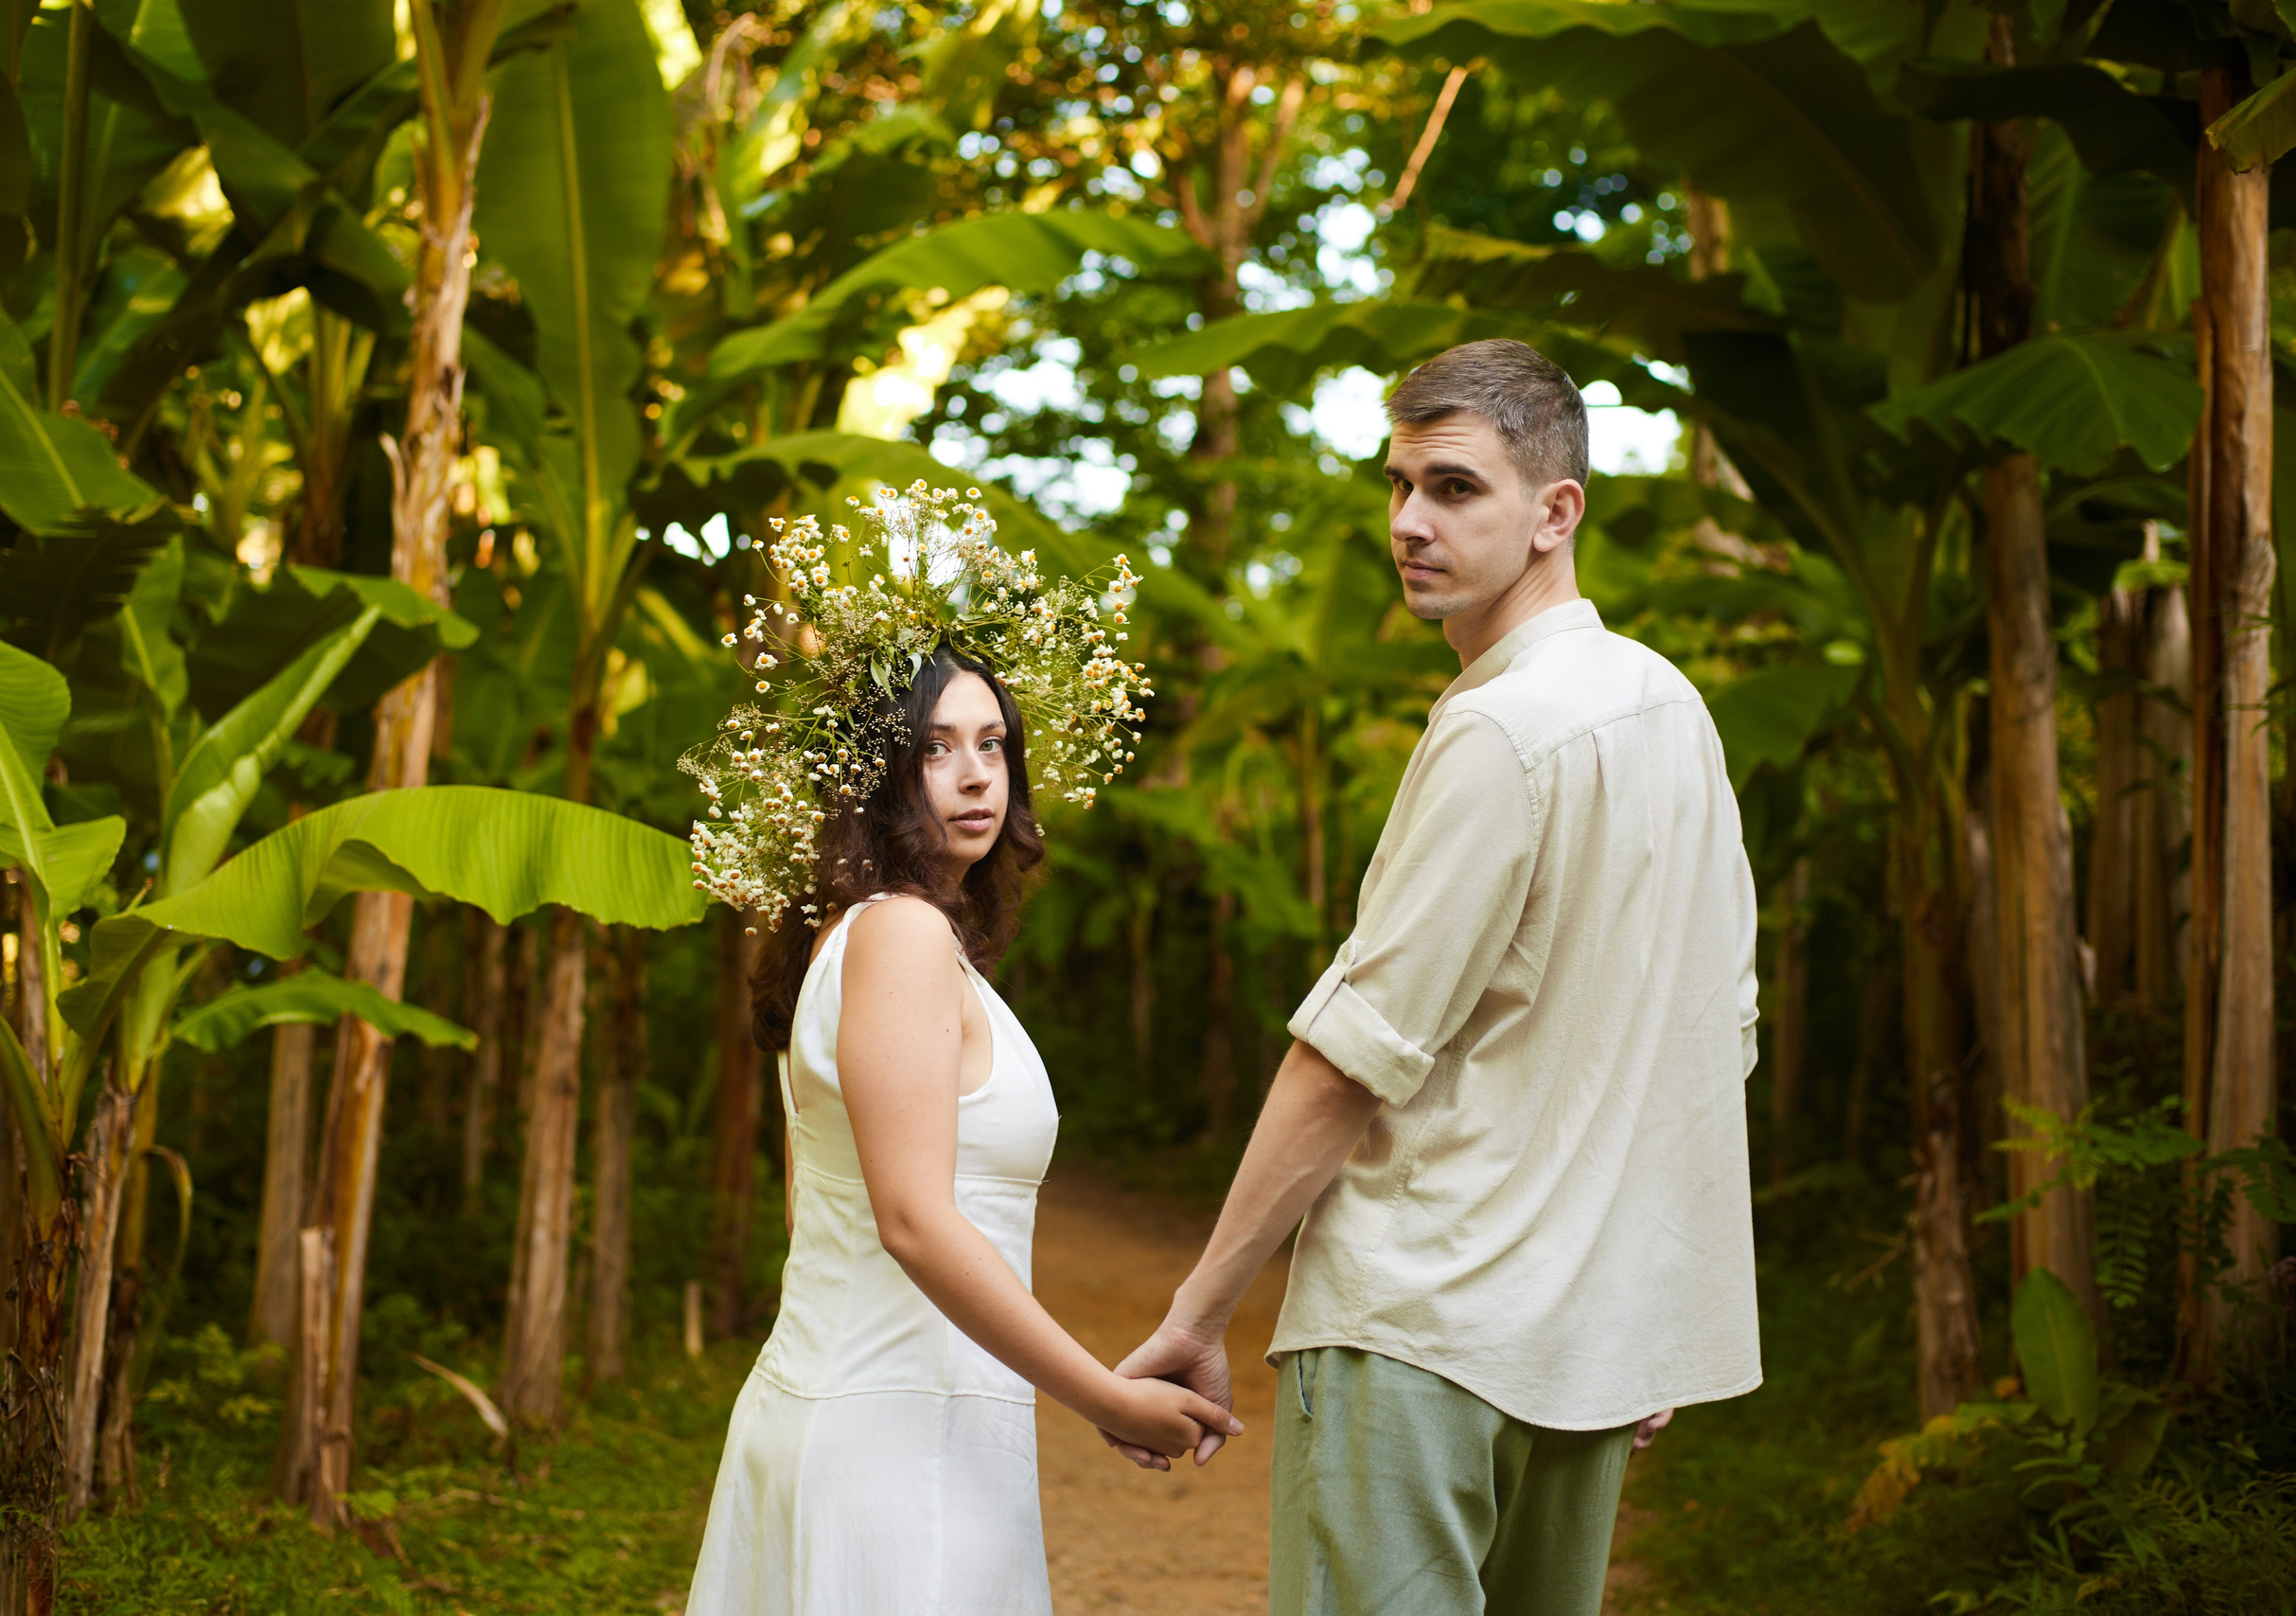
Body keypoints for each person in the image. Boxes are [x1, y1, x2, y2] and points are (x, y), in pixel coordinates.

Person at [1109, 339, 1763, 1615]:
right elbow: (1711, 1032)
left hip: (1417, 1324)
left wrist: (1201, 1309)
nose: (1410, 521)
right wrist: (1644, 1303)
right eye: (1400, 484)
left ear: (1554, 509)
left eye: (1455, 488)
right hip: (1578, 1343)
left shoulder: (1498, 726)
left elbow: (1354, 1050)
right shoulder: (1672, 707)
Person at [686, 644, 1238, 1616]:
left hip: (862, 1411)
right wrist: (1106, 1399)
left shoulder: (862, 932)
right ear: (873, 773)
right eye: (935, 748)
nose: (977, 773)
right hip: (894, 1443)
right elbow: (911, 1219)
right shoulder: (898, 934)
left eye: (993, 744)